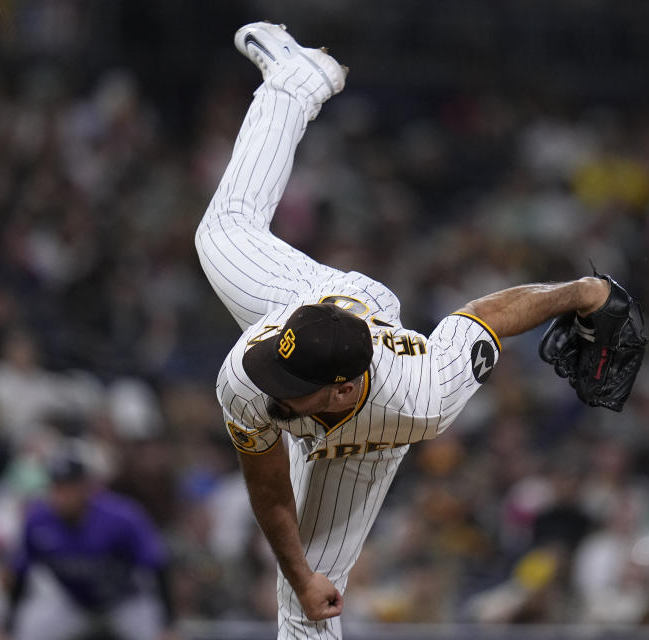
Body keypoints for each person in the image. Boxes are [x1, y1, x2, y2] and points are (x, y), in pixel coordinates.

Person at [195, 22, 613, 639]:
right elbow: (269, 489)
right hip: (314, 308)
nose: (270, 387)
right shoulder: (249, 372)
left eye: (288, 384)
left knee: (306, 603)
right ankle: (294, 82)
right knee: (221, 232)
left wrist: (578, 294)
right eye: (275, 374)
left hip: (367, 416)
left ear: (338, 392)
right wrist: (584, 293)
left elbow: (482, 319)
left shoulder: (418, 398)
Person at [0, 445, 177, 640]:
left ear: (86, 488)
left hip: (125, 602)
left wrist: (168, 625)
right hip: (73, 604)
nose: (61, 495)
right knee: (25, 632)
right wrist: (7, 627)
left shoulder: (122, 517)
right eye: (57, 486)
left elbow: (159, 565)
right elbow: (21, 573)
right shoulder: (39, 520)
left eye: (69, 487)